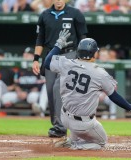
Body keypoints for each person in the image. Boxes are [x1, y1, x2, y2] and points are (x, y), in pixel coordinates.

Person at [44, 29, 131, 150]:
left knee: (82, 123)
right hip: (83, 124)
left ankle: (72, 139)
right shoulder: (99, 72)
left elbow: (47, 62)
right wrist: (130, 108)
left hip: (64, 118)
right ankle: (74, 145)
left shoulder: (67, 63)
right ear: (94, 53)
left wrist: (58, 44)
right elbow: (113, 96)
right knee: (101, 143)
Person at [32, 0, 88, 138]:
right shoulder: (45, 14)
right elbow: (40, 39)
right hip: (51, 54)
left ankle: (61, 126)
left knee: (58, 87)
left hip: (69, 53)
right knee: (50, 90)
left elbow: (83, 37)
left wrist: (82, 57)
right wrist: (35, 59)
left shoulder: (75, 13)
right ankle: (57, 125)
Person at [1, 47, 48, 116]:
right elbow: (16, 84)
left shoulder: (39, 68)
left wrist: (27, 92)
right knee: (5, 97)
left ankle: (39, 114)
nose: (24, 56)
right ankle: (12, 114)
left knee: (32, 97)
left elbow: (41, 85)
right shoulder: (20, 69)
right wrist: (19, 91)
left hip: (32, 93)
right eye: (24, 54)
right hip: (21, 93)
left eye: (27, 55)